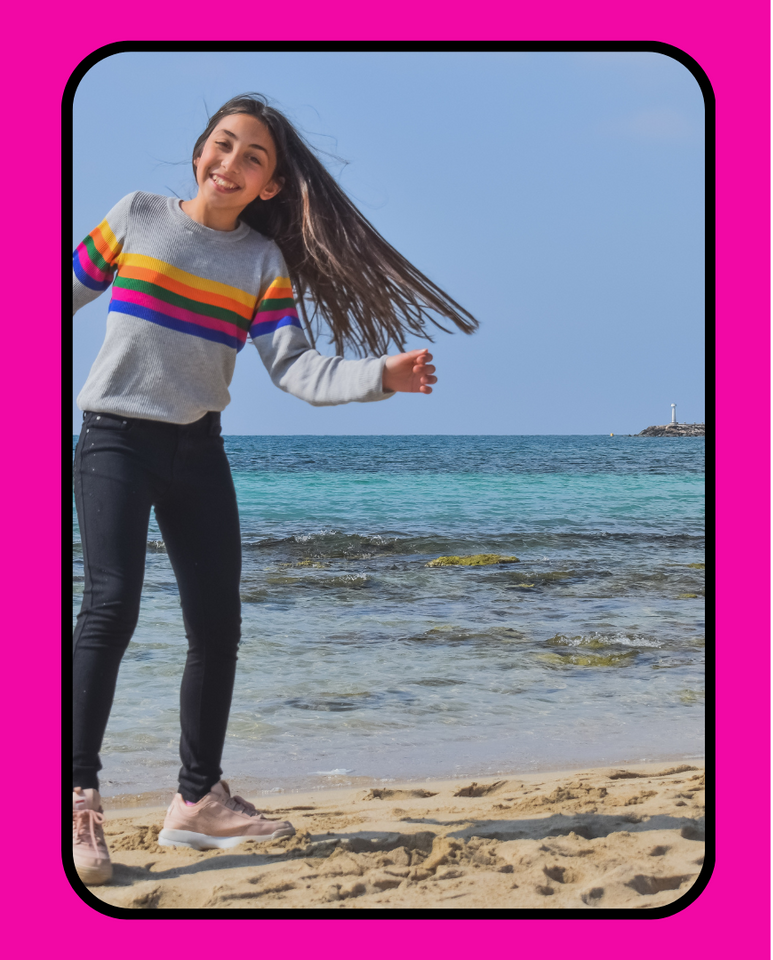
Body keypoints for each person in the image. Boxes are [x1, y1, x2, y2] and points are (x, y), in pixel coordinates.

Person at [71, 93, 478, 886]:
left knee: (217, 622)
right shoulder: (137, 216)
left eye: (251, 156)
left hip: (197, 449)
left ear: (269, 185)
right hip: (115, 438)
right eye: (221, 146)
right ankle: (78, 796)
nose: (230, 162)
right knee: (111, 605)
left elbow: (298, 369)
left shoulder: (262, 263)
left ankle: (195, 800)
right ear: (199, 153)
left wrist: (379, 377)